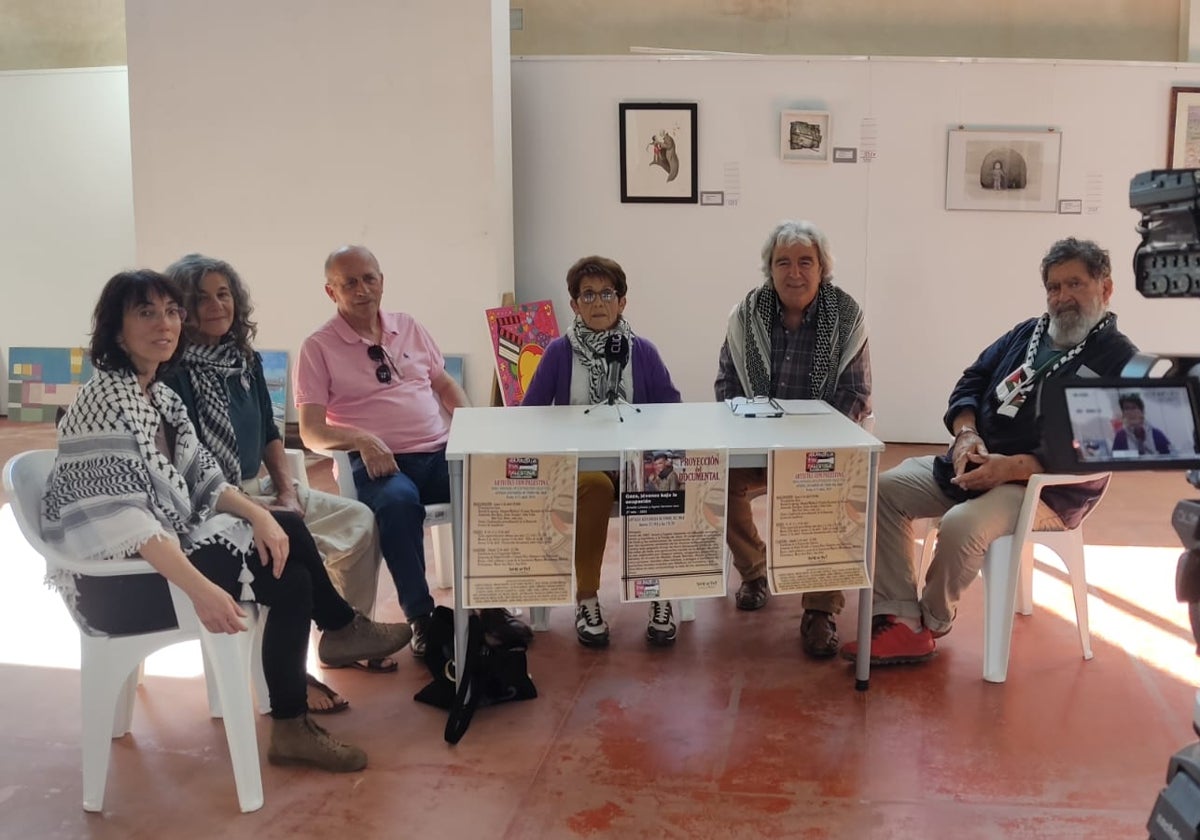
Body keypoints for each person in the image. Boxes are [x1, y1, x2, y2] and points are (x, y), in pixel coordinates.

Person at [41, 270, 413, 772]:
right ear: (114, 328)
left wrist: (260, 515)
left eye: (171, 311)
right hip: (119, 586)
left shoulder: (158, 396)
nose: (165, 323)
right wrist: (204, 590)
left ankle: (294, 720)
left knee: (290, 559)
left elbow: (206, 481)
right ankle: (324, 661)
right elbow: (124, 524)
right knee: (290, 568)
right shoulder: (105, 402)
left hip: (163, 554)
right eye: (146, 312)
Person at [840, 238, 1138, 665]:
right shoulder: (1027, 334)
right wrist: (965, 435)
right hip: (974, 462)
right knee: (886, 490)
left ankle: (930, 621)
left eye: (1075, 284)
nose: (1061, 297)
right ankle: (901, 617)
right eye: (1053, 287)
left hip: (1043, 485)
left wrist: (1011, 468)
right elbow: (972, 380)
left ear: (1105, 288)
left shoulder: (1118, 359)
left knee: (961, 524)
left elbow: (1101, 447)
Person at [161, 254, 390, 714]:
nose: (216, 305)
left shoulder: (242, 360)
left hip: (259, 485)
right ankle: (305, 658)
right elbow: (185, 472)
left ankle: (343, 637)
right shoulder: (173, 371)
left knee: (361, 518)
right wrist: (265, 506)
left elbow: (271, 433)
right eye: (201, 297)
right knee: (288, 557)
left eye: (223, 294)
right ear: (182, 307)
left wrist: (286, 489)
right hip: (212, 500)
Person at [296, 245, 531, 656]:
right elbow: (312, 431)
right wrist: (361, 440)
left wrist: (473, 429)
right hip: (378, 463)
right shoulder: (318, 347)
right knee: (398, 504)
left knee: (491, 490)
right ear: (331, 292)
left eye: (369, 278)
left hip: (439, 452)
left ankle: (489, 607)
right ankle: (421, 618)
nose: (362, 289)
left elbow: (444, 385)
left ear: (382, 281)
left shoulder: (408, 327)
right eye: (349, 282)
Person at [714, 220, 871, 658]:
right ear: (770, 268)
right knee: (717, 482)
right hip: (757, 444)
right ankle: (754, 572)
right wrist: (755, 435)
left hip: (820, 450)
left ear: (822, 269)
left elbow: (855, 395)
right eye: (783, 262)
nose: (794, 272)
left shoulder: (847, 317)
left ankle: (820, 610)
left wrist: (811, 446)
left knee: (836, 488)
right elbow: (727, 385)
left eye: (806, 261)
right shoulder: (745, 316)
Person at [521, 255, 683, 647]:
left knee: (662, 477)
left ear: (622, 301)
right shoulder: (558, 353)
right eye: (587, 295)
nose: (597, 303)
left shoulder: (643, 352)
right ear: (574, 305)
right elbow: (530, 415)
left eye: (606, 293)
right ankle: (588, 599)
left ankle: (657, 593)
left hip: (636, 460)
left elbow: (673, 409)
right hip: (581, 466)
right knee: (594, 487)